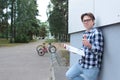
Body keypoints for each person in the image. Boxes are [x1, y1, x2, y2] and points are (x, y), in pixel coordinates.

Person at [66, 12, 104, 80]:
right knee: (69, 75)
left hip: (91, 67)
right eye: (84, 21)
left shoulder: (97, 33)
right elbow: (84, 49)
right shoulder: (85, 33)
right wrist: (76, 51)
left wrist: (89, 45)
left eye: (88, 20)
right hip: (82, 63)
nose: (86, 22)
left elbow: (99, 51)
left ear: (93, 21)